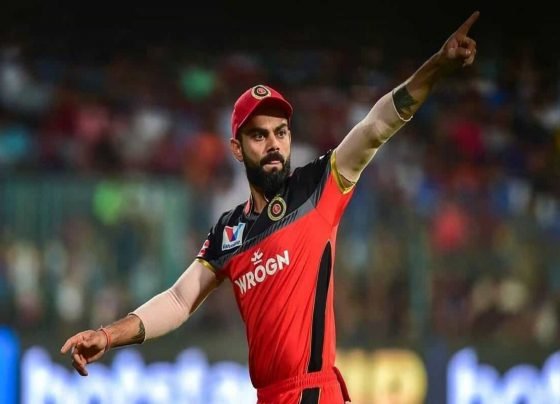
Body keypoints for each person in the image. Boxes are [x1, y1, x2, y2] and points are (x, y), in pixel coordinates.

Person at [61, 11, 480, 403]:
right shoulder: (228, 232)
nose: (274, 144)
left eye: (281, 132)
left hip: (315, 392)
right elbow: (178, 300)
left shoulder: (317, 187)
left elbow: (376, 126)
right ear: (237, 149)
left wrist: (437, 67)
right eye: (259, 135)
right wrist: (108, 335)